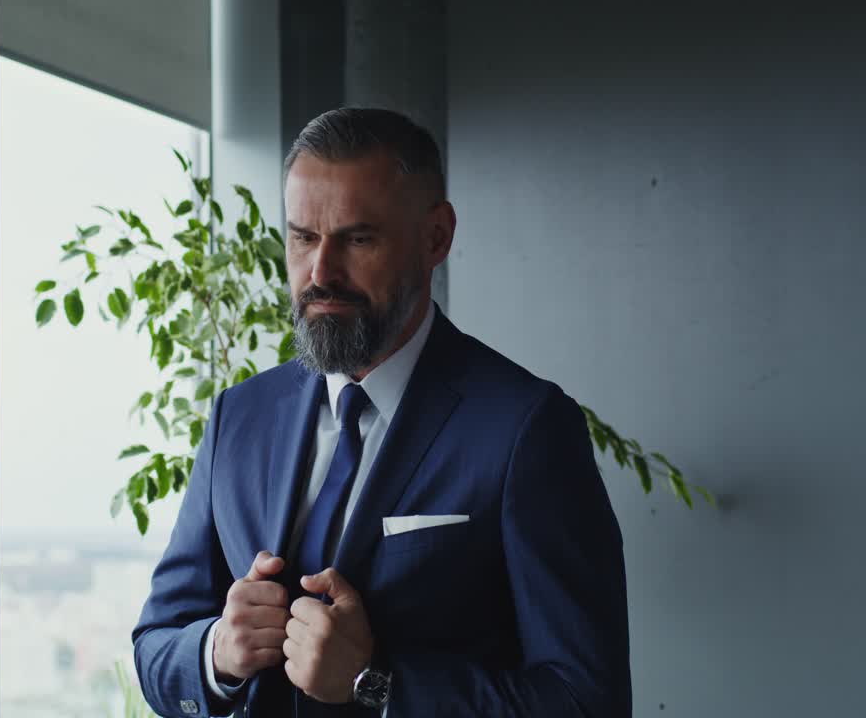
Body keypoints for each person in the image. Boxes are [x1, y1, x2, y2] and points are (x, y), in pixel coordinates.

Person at [132, 107, 632, 717]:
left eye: (358, 239)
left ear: (435, 238)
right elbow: (158, 646)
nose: (321, 273)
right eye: (303, 237)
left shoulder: (526, 428)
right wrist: (217, 652)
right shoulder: (240, 416)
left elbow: (587, 700)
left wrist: (377, 683)